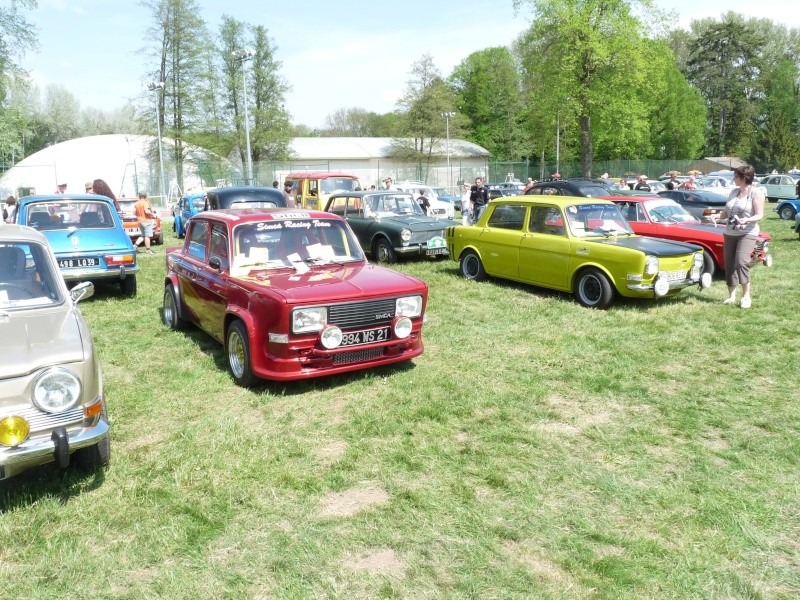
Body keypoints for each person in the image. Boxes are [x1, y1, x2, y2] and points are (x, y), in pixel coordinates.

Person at [713, 165, 764, 308]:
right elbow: (726, 211)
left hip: (747, 232)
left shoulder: (756, 193)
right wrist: (717, 217)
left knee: (741, 262)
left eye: (735, 176)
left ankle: (746, 296)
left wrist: (746, 220)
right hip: (730, 233)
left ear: (744, 178)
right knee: (729, 264)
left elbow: (759, 214)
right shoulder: (734, 192)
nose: (733, 179)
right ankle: (731, 296)